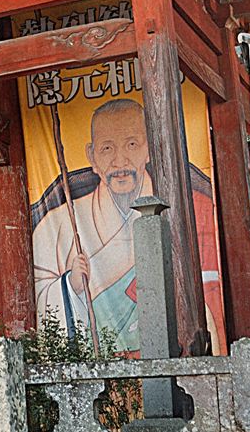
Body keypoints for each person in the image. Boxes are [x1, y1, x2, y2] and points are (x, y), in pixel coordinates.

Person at [31, 98, 222, 355]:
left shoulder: (191, 209)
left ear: (148, 149)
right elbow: (41, 299)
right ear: (92, 156)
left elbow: (208, 292)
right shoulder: (59, 225)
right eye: (107, 149)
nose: (119, 161)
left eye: (131, 145)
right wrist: (71, 286)